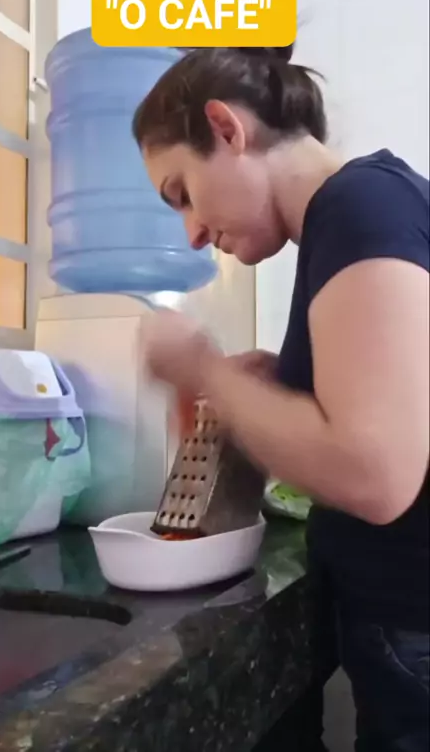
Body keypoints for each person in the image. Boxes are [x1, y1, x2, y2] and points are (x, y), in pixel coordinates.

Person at [131, 45, 429, 752]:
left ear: (226, 128)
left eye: (182, 192)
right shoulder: (360, 209)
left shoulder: (359, 207)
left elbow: (374, 475)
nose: (192, 233)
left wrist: (207, 371)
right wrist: (285, 379)